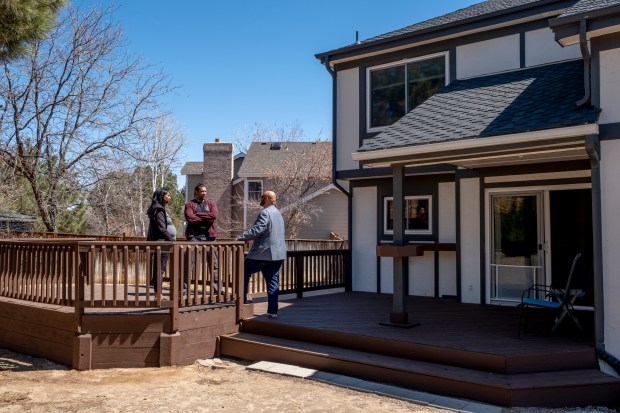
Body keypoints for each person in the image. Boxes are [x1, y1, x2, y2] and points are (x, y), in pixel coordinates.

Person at [237, 190, 286, 318]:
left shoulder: (265, 212)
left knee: (243, 272)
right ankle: (273, 311)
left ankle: (241, 305)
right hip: (277, 255)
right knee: (273, 283)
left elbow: (257, 230)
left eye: (263, 196)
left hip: (262, 254)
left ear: (269, 199)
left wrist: (241, 238)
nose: (261, 198)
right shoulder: (279, 214)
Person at [184, 183, 219, 291]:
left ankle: (217, 288)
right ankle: (184, 289)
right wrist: (206, 217)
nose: (204, 193)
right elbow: (190, 219)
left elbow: (214, 215)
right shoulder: (189, 205)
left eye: (205, 191)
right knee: (189, 264)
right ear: (196, 192)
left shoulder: (211, 203)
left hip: (209, 238)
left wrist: (198, 214)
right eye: (202, 191)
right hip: (194, 237)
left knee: (214, 265)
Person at [147, 187, 176, 294]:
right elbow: (162, 228)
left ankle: (157, 293)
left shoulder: (157, 208)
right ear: (162, 196)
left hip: (160, 241)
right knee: (160, 269)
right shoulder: (159, 209)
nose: (170, 197)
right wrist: (172, 240)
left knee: (158, 268)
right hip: (162, 242)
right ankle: (158, 294)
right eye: (168, 195)